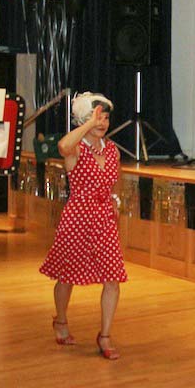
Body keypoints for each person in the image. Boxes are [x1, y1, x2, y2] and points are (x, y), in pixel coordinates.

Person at [39, 92, 127, 360]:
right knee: (67, 277)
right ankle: (61, 320)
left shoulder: (112, 150)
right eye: (96, 117)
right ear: (82, 120)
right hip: (77, 218)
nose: (102, 122)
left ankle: (105, 335)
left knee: (113, 278)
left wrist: (115, 201)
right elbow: (63, 146)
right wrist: (88, 126)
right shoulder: (76, 149)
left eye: (105, 117)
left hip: (104, 220)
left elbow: (116, 180)